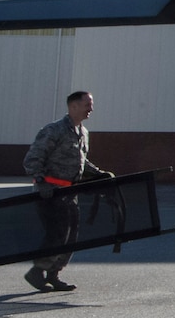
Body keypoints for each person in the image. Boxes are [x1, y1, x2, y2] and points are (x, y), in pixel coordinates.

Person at [22, 90, 112, 292]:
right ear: (73, 107)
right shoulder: (54, 130)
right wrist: (40, 182)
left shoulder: (82, 132)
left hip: (70, 193)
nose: (91, 108)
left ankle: (53, 274)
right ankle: (37, 272)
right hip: (51, 192)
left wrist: (99, 174)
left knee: (70, 236)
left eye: (91, 104)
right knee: (57, 233)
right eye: (87, 104)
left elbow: (81, 161)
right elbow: (32, 159)